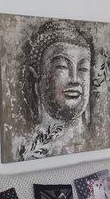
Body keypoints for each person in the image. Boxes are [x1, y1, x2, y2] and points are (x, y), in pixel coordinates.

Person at [18, 20, 95, 160]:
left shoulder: (95, 143)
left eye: (83, 69)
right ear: (36, 79)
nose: (75, 79)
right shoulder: (26, 151)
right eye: (62, 66)